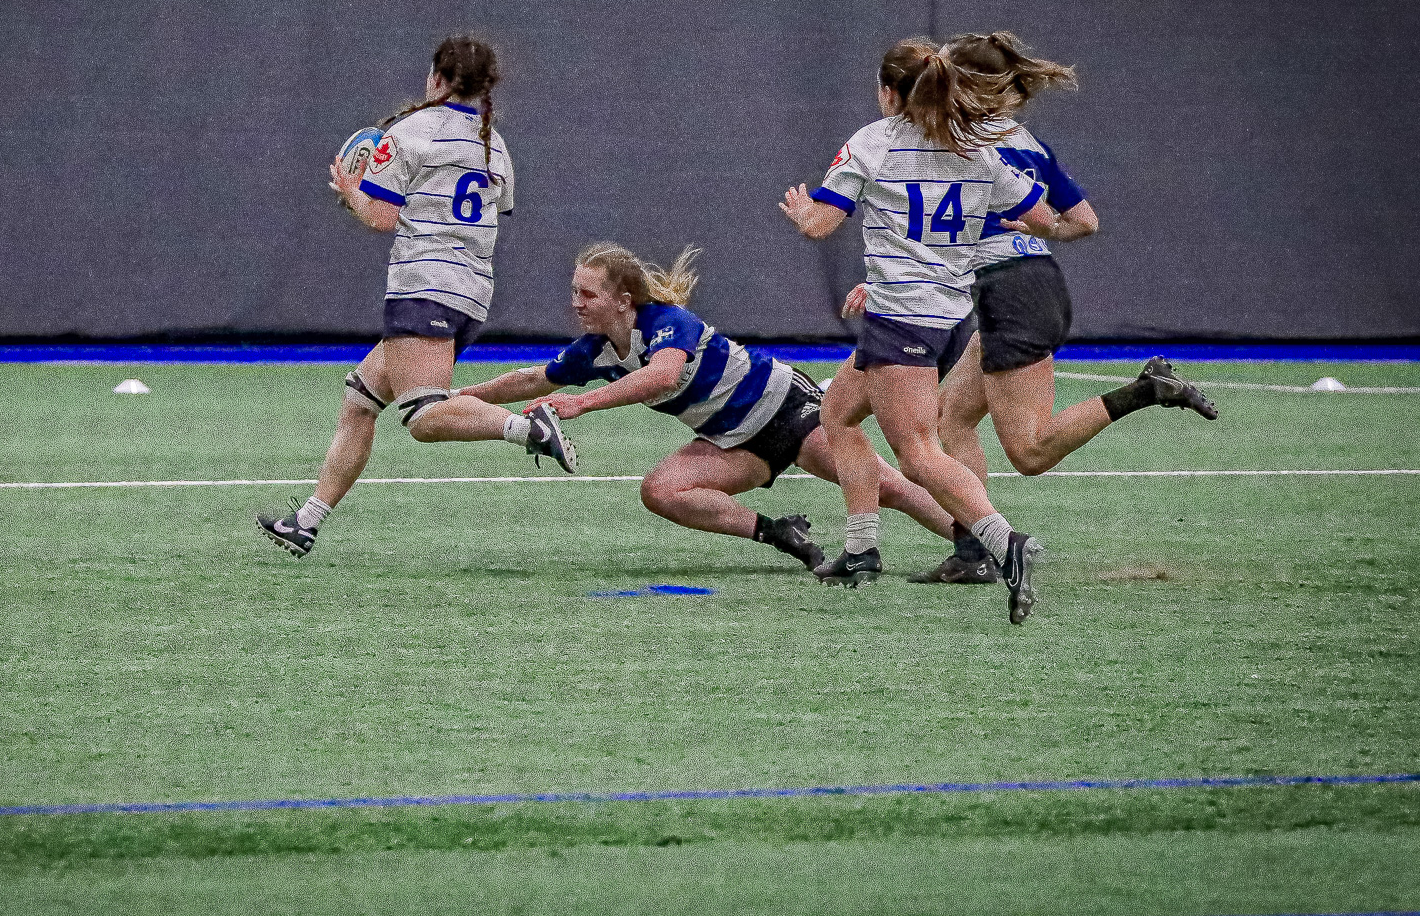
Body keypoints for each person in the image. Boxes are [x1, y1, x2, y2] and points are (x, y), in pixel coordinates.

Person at [780, 38, 1072, 624]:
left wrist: (798, 211)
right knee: (837, 411)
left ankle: (1004, 542)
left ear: (890, 92)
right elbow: (1049, 219)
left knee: (918, 450)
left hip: (901, 317)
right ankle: (861, 549)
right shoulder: (978, 149)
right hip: (947, 312)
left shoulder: (873, 143)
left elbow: (820, 223)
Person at [452, 242, 965, 573]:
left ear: (624, 299)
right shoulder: (597, 349)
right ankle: (779, 533)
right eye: (575, 292)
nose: (576, 303)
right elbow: (529, 379)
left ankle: (975, 544)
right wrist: (455, 397)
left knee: (887, 485)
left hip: (785, 407)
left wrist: (582, 403)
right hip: (733, 440)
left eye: (587, 294)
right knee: (661, 491)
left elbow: (665, 374)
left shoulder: (666, 319)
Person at [911, 31, 1218, 584]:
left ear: (963, 86)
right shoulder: (1029, 144)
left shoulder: (959, 141)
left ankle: (1145, 390)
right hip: (1030, 283)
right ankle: (972, 551)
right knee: (948, 416)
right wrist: (1044, 225)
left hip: (1014, 294)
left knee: (1029, 451)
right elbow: (1085, 222)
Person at [257, 36, 576, 557]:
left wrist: (348, 189)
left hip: (423, 285)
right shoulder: (496, 144)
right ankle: (307, 521)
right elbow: (496, 210)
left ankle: (528, 428)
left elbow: (381, 216)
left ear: (436, 78)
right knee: (361, 400)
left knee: (423, 417)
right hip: (471, 293)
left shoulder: (408, 133)